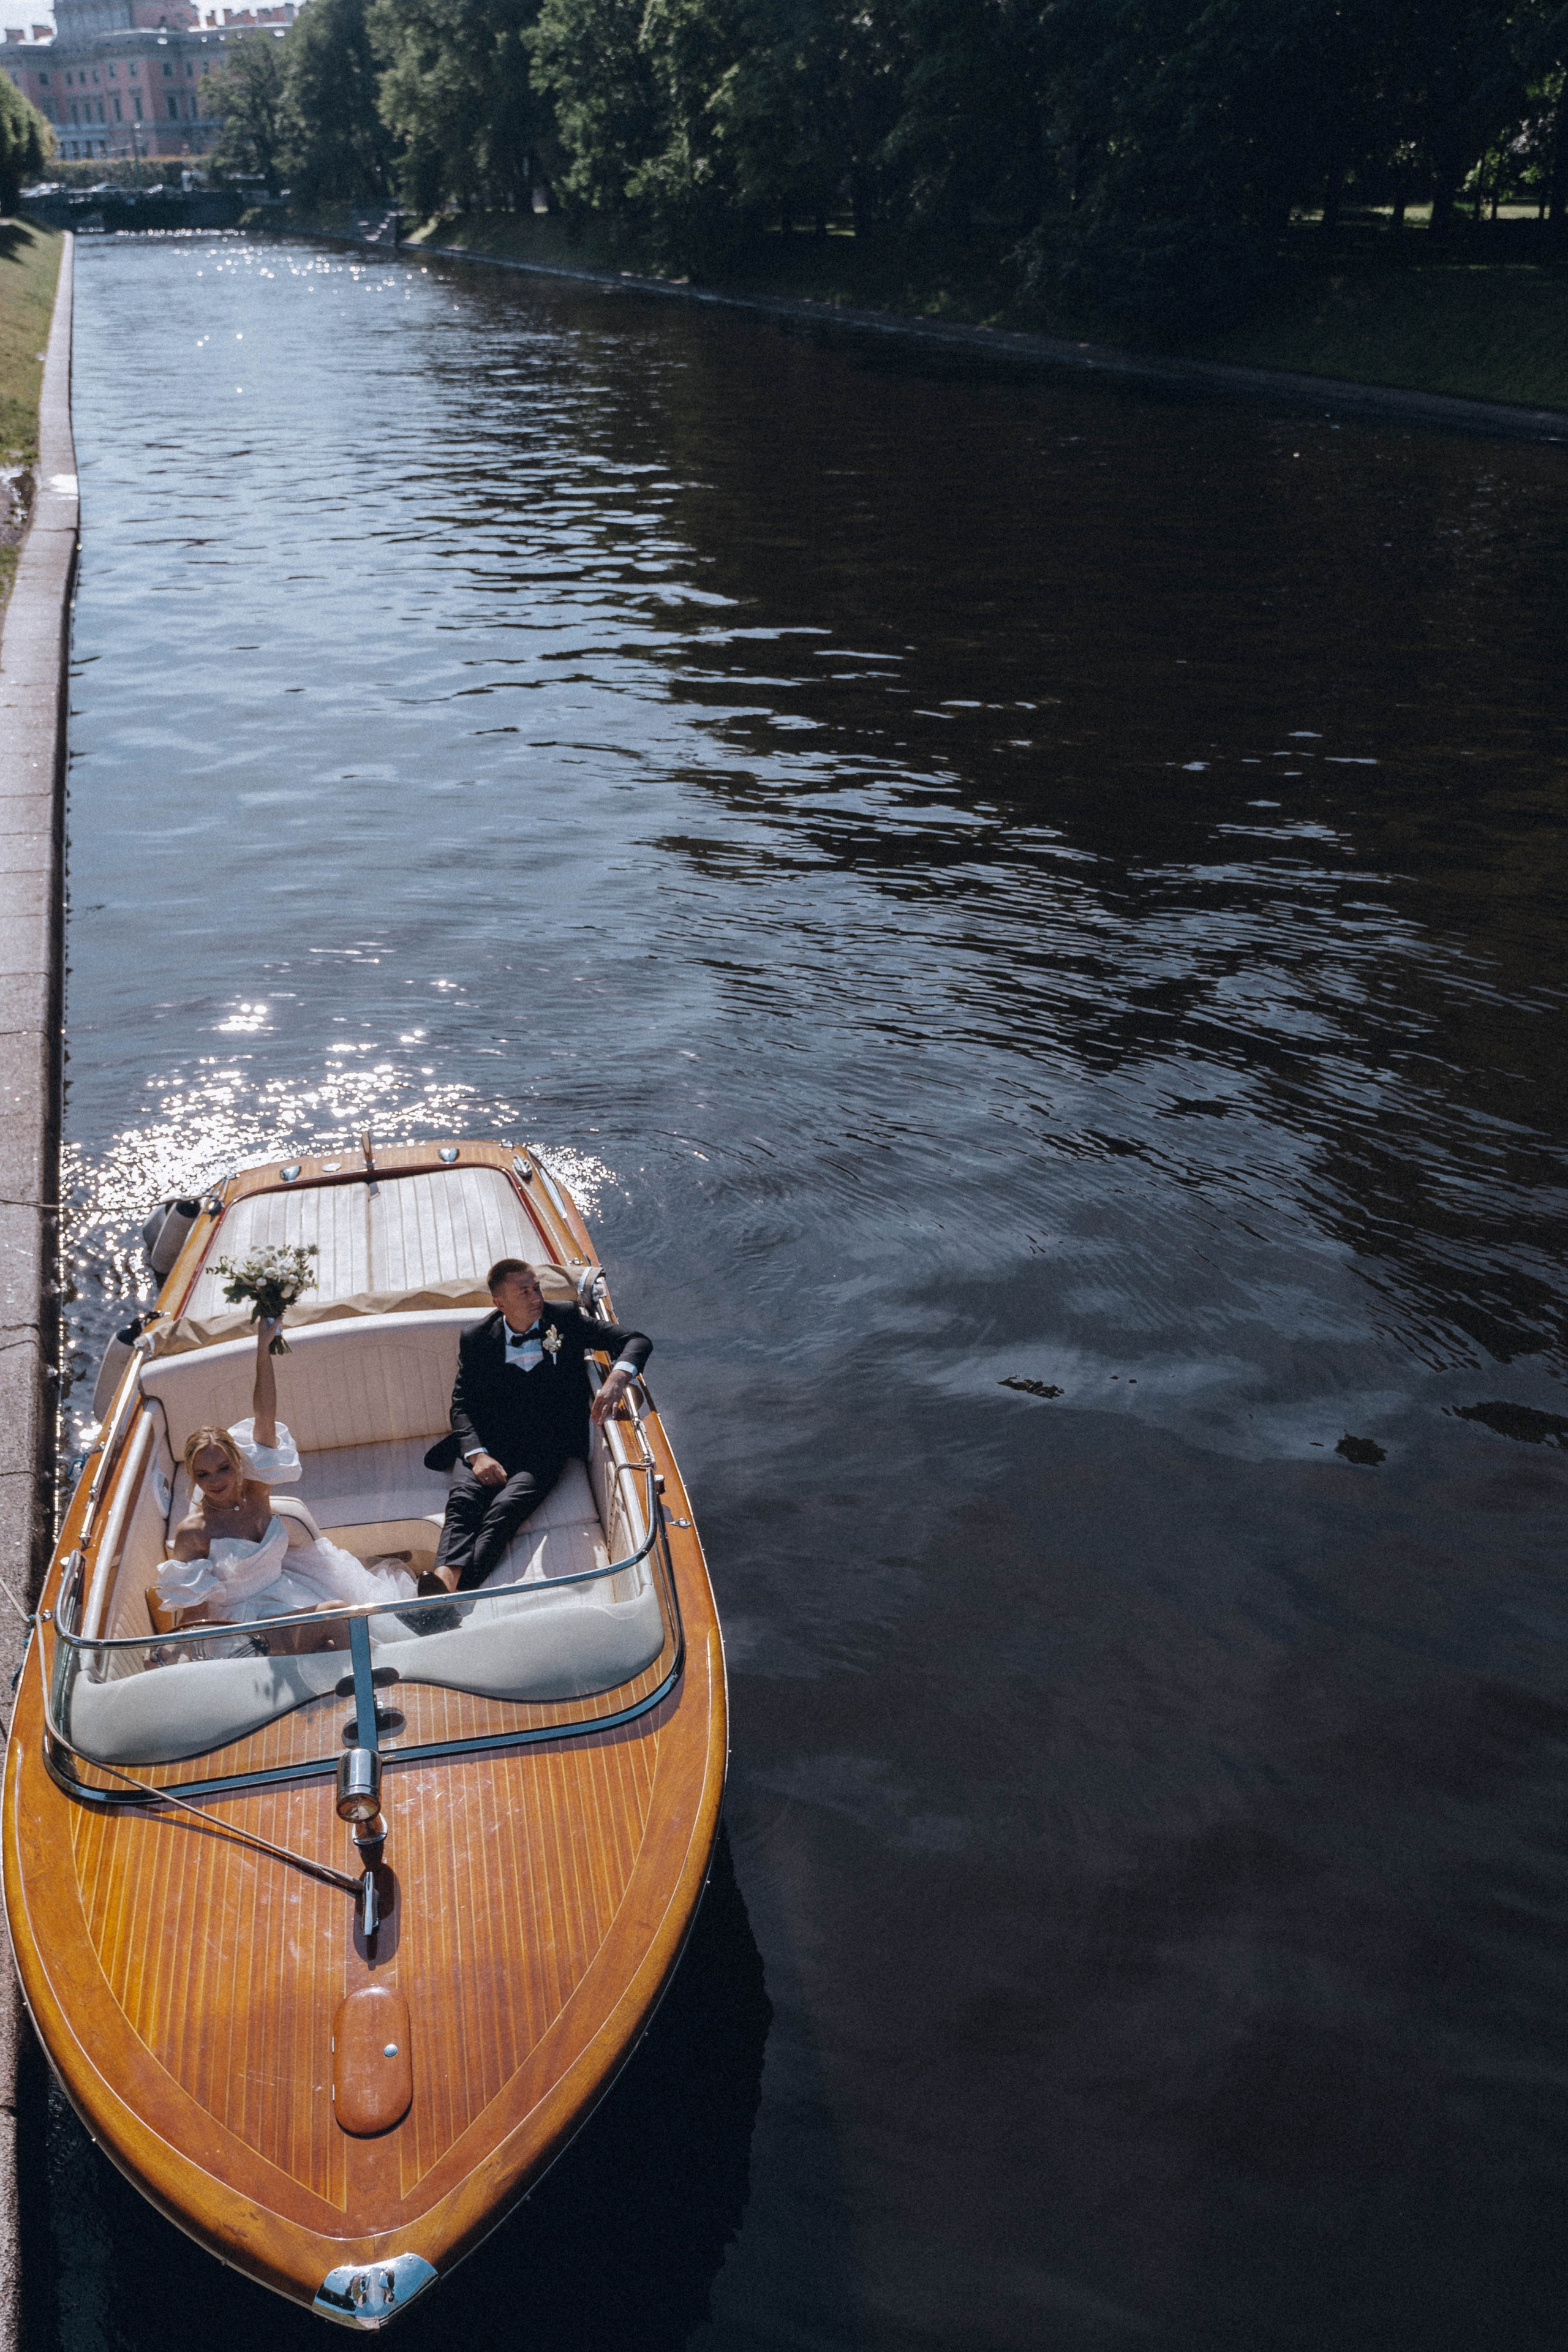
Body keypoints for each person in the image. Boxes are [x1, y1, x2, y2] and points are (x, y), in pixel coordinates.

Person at [156, 1318, 415, 1634]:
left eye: (223, 1468)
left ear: (239, 1463)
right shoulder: (193, 1532)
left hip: (288, 1596)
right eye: (203, 1474)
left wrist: (263, 1350)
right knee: (337, 1617)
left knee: (350, 1625)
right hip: (243, 1624)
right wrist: (171, 1649)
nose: (215, 1481)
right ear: (194, 1479)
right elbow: (194, 1612)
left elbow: (265, 1415)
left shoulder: (257, 1491)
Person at [423, 1258, 652, 1594]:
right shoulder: (477, 1337)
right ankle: (443, 1581)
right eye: (524, 1292)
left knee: (505, 1510)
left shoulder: (565, 1319)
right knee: (463, 1502)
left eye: (537, 1288)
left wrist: (618, 1377)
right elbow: (463, 1404)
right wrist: (477, 1455)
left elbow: (637, 1340)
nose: (536, 1297)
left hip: (545, 1447)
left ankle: (450, 1590)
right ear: (499, 1303)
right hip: (489, 1441)